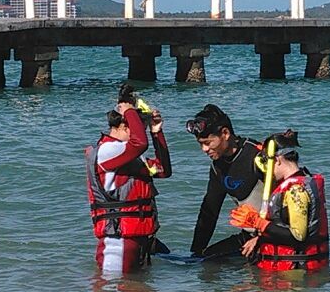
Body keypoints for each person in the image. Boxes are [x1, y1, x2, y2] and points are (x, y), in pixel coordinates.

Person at [85, 89, 171, 273]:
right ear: (125, 126)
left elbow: (163, 170)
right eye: (139, 127)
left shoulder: (127, 155)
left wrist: (157, 133)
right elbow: (140, 143)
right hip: (118, 244)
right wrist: (129, 111)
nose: (142, 132)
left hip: (139, 241)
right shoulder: (107, 151)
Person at [229, 130, 329, 272]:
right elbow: (283, 226)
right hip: (287, 271)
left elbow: (298, 237)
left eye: (266, 162)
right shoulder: (298, 182)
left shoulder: (296, 191)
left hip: (296, 273)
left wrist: (259, 223)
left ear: (277, 160)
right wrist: (260, 239)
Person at [185, 104, 264, 258]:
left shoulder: (256, 156)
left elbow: (285, 204)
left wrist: (262, 237)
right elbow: (209, 213)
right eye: (200, 144)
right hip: (249, 236)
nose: (204, 149)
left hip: (274, 236)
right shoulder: (217, 167)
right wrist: (195, 254)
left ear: (225, 133)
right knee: (204, 260)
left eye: (207, 143)